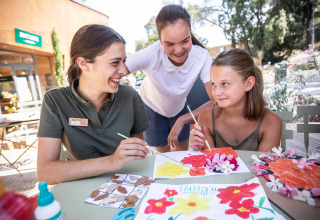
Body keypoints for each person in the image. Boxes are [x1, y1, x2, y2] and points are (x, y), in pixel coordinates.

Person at [37, 25, 149, 184]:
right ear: (83, 63)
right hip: (77, 186)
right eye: (115, 62)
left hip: (126, 183)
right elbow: (45, 173)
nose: (124, 70)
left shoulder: (130, 96)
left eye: (124, 62)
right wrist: (111, 162)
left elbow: (138, 155)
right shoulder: (55, 100)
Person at [126, 4, 215, 153]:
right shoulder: (152, 54)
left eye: (185, 41)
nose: (179, 50)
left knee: (182, 157)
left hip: (181, 109)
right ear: (160, 40)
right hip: (152, 109)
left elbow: (216, 100)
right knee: (164, 160)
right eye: (169, 44)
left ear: (190, 33)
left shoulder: (202, 56)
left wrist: (183, 119)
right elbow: (116, 68)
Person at [190, 48, 282, 152]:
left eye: (225, 84)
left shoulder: (271, 122)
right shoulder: (206, 119)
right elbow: (210, 163)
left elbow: (264, 166)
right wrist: (198, 149)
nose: (217, 92)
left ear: (248, 84)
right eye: (213, 84)